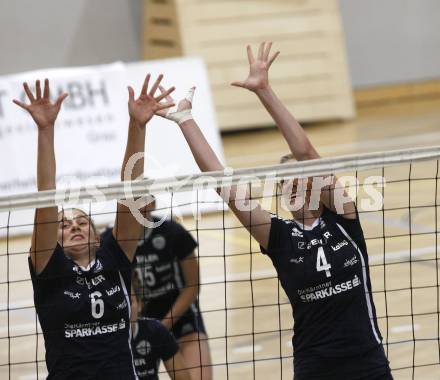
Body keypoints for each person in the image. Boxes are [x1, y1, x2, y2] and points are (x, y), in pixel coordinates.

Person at [157, 43, 393, 379]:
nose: (293, 185)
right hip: (316, 367)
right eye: (285, 182)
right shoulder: (279, 236)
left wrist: (264, 91)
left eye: (299, 177)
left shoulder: (344, 221)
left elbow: (306, 151)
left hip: (367, 361)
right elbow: (224, 185)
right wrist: (185, 120)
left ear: (316, 185)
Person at [15, 76, 175, 379]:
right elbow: (46, 197)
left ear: (97, 237)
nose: (74, 226)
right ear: (55, 240)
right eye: (64, 225)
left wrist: (138, 126)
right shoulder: (49, 268)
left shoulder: (115, 258)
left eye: (82, 222)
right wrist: (45, 131)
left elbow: (130, 190)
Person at [102, 196, 212, 380]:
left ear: (152, 204)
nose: (137, 206)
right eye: (133, 201)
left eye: (142, 200)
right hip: (136, 322)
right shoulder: (109, 241)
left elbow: (192, 286)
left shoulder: (172, 232)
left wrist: (163, 326)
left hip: (181, 316)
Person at [130, 271, 192, 380]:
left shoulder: (155, 331)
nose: (124, 308)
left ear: (140, 304)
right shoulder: (101, 339)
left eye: (129, 302)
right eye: (118, 302)